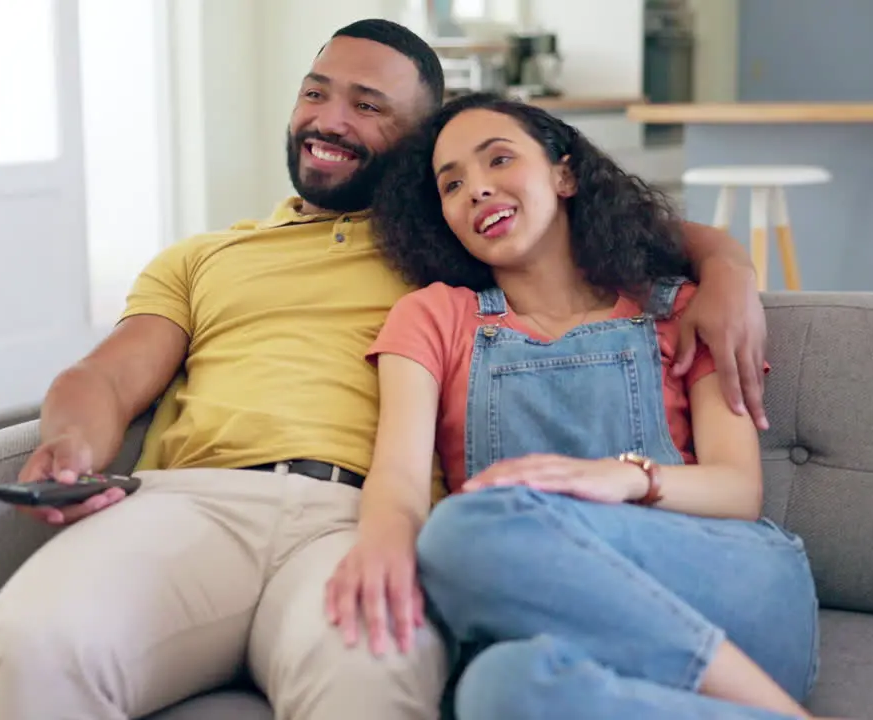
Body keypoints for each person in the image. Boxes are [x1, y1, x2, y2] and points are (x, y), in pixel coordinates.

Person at [0, 20, 772, 720]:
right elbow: (104, 377)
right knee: (35, 644)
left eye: (367, 106)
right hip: (192, 506)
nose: (329, 119)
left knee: (374, 679)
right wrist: (71, 442)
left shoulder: (452, 249)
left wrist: (729, 270)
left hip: (359, 523)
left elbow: (609, 225)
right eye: (316, 92)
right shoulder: (205, 257)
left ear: (420, 149)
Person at [324, 92, 823, 720]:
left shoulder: (678, 308)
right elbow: (397, 478)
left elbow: (737, 489)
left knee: (465, 528)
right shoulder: (433, 318)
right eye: (451, 185)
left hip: (732, 590)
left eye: (498, 160)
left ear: (565, 174)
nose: (476, 189)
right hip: (566, 631)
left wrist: (616, 477)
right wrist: (379, 540)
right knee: (496, 689)